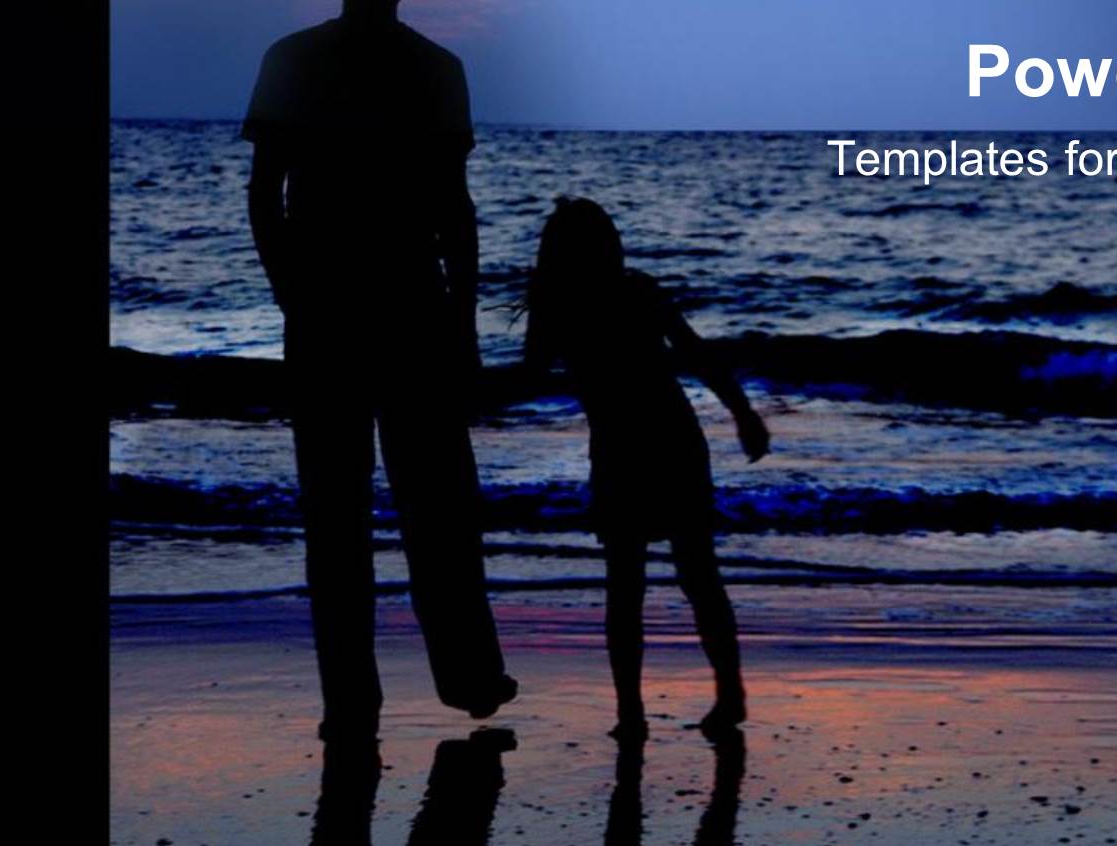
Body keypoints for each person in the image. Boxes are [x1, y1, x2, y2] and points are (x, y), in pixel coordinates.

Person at [242, 0, 516, 742]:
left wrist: (293, 295)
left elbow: (266, 196)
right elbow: (454, 211)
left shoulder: (297, 57)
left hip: (344, 309)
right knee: (436, 509)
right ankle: (462, 677)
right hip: (402, 306)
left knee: (344, 518)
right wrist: (463, 326)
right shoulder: (432, 67)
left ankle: (357, 699)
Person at [520, 197, 770, 741]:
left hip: (636, 447)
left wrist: (744, 413)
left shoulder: (564, 304)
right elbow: (699, 356)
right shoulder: (627, 293)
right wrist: (743, 413)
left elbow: (528, 379)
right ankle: (720, 696)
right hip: (663, 441)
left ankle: (638, 712)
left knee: (635, 584)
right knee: (692, 576)